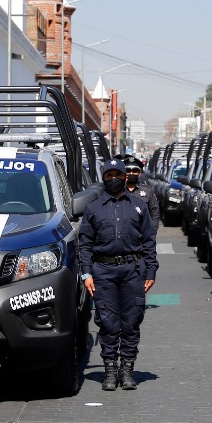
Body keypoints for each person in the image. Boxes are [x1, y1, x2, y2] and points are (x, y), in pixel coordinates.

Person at [79, 160, 159, 391]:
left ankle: (127, 370)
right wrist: (86, 274)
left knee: (132, 322)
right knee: (107, 322)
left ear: (125, 177)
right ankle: (110, 371)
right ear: (103, 178)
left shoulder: (138, 206)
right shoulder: (93, 208)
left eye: (117, 174)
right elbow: (84, 245)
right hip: (102, 272)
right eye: (109, 174)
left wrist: (151, 271)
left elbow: (148, 242)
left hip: (132, 271)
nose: (113, 178)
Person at [124, 157, 161, 229]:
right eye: (128, 170)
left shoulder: (147, 191)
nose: (131, 173)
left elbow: (154, 213)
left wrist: (152, 232)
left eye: (135, 170)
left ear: (139, 173)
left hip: (142, 236)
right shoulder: (118, 191)